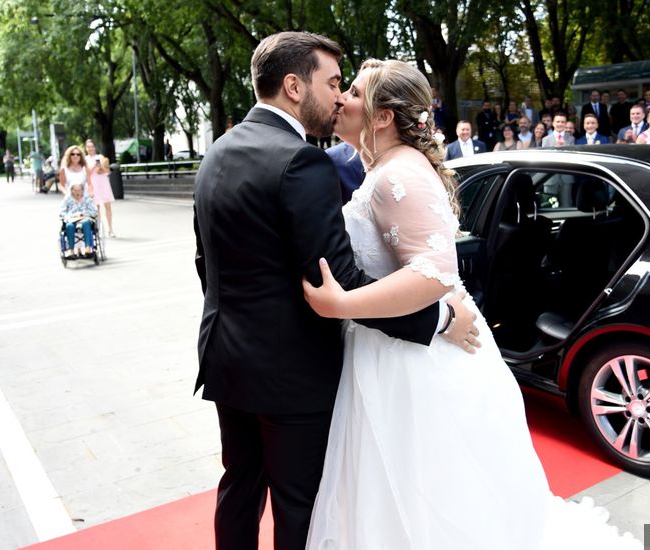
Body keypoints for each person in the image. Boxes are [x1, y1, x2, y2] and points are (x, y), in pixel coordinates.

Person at [301, 57, 639, 550]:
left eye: (353, 91)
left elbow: (434, 274)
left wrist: (342, 304)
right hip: (389, 349)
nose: (341, 99)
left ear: (381, 116)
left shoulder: (400, 175)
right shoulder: (380, 169)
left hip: (414, 366)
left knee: (429, 492)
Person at [191, 32, 479, 550]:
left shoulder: (216, 153)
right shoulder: (302, 161)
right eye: (331, 83)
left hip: (226, 359)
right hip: (292, 373)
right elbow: (338, 281)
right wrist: (436, 320)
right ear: (295, 86)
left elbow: (204, 264)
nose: (338, 96)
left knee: (238, 489)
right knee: (299, 506)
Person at [85, 140, 116, 237]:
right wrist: (94, 165)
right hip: (93, 185)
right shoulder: (85, 160)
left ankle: (110, 229)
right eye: (89, 147)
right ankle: (98, 229)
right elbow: (87, 173)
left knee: (108, 207)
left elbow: (107, 171)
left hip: (103, 183)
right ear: (86, 148)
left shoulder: (101, 157)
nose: (91, 148)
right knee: (96, 208)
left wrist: (102, 168)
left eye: (92, 146)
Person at [59, 182, 98, 257]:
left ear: (82, 190)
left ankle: (88, 247)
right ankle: (71, 249)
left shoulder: (87, 199)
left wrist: (86, 214)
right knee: (69, 226)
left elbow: (94, 211)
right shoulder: (67, 199)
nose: (77, 192)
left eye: (79, 190)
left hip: (85, 217)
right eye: (75, 190)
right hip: (72, 218)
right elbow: (62, 212)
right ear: (72, 191)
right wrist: (68, 217)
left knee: (86, 222)